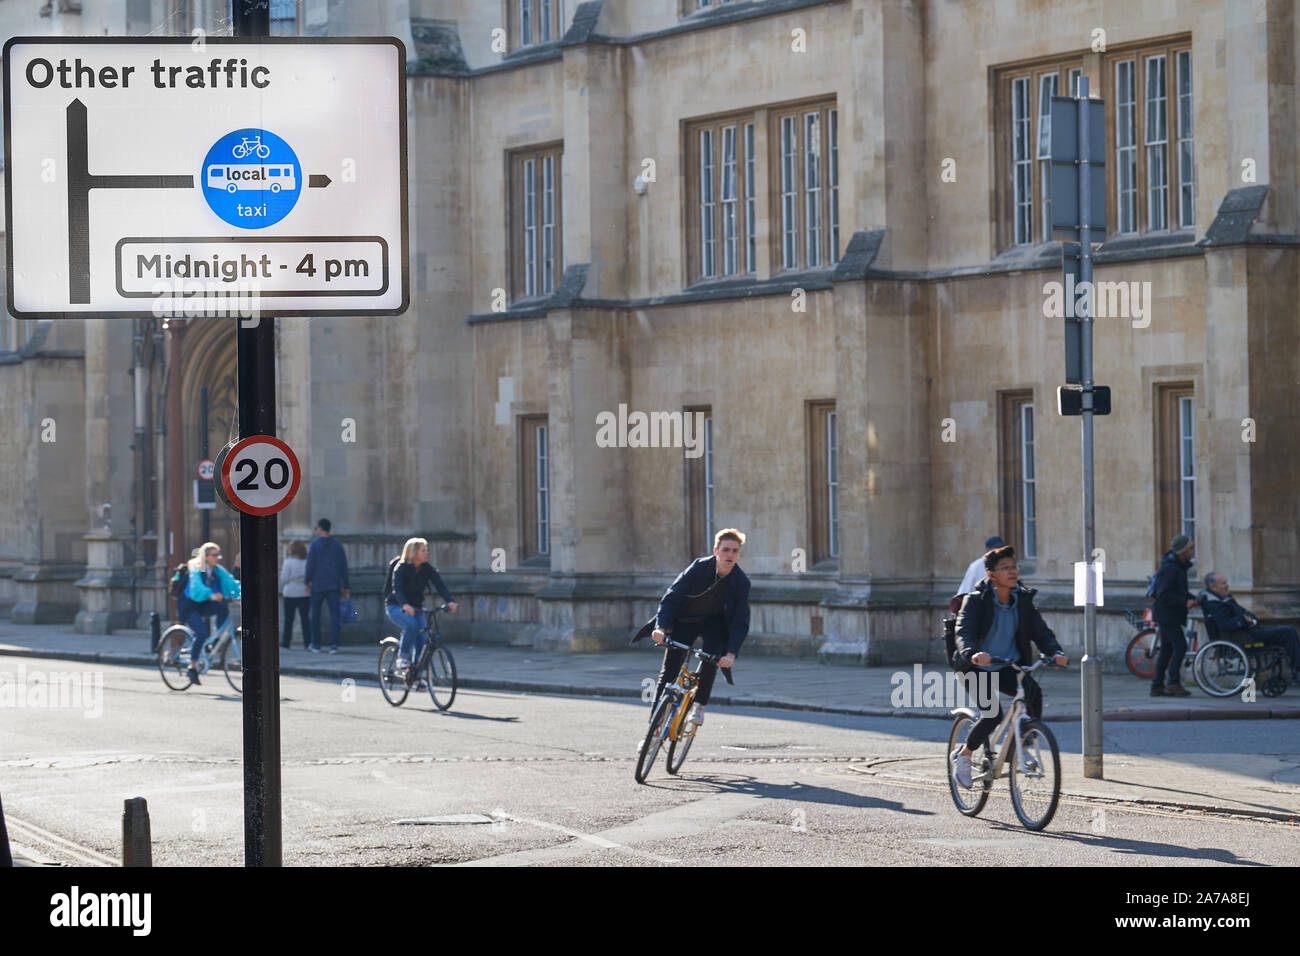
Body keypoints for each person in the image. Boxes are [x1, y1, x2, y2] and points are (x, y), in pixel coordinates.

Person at [949, 545, 1067, 788]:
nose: (1012, 572)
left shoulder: (1022, 601)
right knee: (992, 715)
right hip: (975, 666)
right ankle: (965, 755)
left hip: (1008, 666)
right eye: (1005, 568)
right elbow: (964, 631)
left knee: (1033, 694)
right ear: (991, 574)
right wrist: (973, 654)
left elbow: (1041, 631)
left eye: (1014, 567)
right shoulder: (975, 601)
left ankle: (1023, 744)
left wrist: (1054, 651)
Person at [648, 528, 751, 727]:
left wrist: (731, 654)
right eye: (726, 550)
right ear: (716, 551)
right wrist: (661, 627)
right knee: (669, 674)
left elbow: (741, 620)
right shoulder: (698, 568)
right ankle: (654, 729)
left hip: (714, 623)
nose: (730, 555)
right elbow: (672, 596)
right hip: (686, 620)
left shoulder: (741, 582)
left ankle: (699, 705)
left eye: (735, 551)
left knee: (710, 658)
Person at [1202, 572, 1300, 674]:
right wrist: (1244, 620)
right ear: (1213, 588)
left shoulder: (1225, 598)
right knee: (1288, 631)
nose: (1227, 585)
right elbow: (1225, 625)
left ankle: (1296, 666)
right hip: (1243, 637)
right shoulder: (1214, 604)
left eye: (1226, 582)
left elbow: (1244, 612)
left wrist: (1252, 619)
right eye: (1223, 583)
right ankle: (1297, 667)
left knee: (1288, 631)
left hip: (1250, 631)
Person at [385, 537, 457, 674]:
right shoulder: (401, 568)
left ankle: (416, 675)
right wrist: (405, 604)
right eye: (423, 550)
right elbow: (397, 589)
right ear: (413, 552)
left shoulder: (426, 568)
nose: (427, 552)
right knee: (411, 625)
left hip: (416, 607)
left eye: (427, 550)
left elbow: (440, 585)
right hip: (396, 606)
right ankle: (403, 657)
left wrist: (450, 601)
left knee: (423, 640)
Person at [176, 541, 241, 685]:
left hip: (204, 604)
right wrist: (211, 595)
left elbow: (231, 583)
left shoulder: (217, 570)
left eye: (218, 555)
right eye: (214, 555)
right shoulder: (196, 567)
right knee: (201, 633)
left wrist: (242, 593)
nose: (217, 558)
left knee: (223, 607)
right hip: (190, 606)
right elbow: (196, 587)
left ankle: (217, 639)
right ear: (205, 557)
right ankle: (192, 667)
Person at [1150, 535, 1197, 697]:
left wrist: (1191, 598)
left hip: (1168, 613)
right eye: (1190, 548)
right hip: (1167, 614)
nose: (1193, 551)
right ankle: (1173, 682)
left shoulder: (1178, 566)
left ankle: (1157, 685)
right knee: (1180, 646)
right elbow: (1163, 595)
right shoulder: (1171, 568)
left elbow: (1177, 591)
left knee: (1166, 649)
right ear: (1182, 551)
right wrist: (1184, 602)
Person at [304, 518, 350, 654]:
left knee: (315, 616)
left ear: (320, 528)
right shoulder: (337, 545)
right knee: (335, 616)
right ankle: (334, 645)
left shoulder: (314, 545)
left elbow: (310, 565)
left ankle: (316, 644)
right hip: (333, 585)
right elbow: (343, 567)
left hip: (318, 584)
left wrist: (307, 582)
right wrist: (346, 585)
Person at [279, 540, 310, 650]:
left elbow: (283, 578)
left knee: (289, 620)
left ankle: (286, 642)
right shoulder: (307, 562)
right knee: (305, 619)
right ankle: (308, 642)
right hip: (304, 593)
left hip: (290, 593)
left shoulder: (288, 562)